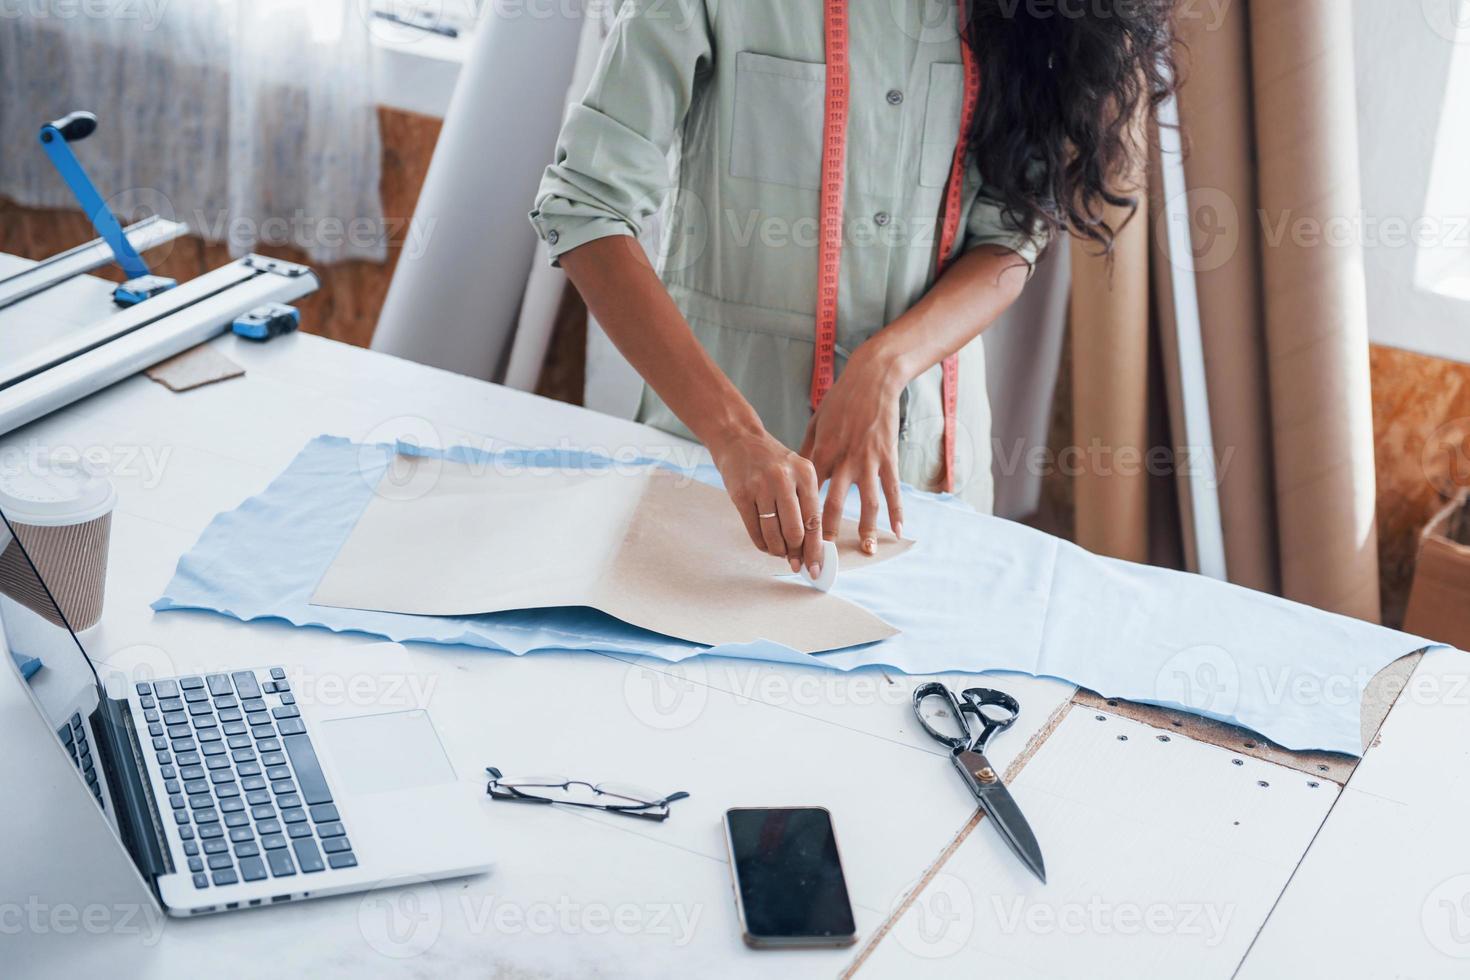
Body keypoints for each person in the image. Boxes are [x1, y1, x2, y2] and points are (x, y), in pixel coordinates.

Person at [531, 0, 1176, 578]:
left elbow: (1011, 237)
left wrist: (885, 366)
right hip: (715, 481)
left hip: (933, 489)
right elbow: (584, 208)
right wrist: (734, 436)